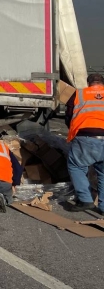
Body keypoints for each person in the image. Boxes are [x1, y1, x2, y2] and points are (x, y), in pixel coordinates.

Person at [64, 73, 104, 214]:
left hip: (86, 137)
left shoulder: (79, 94)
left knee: (76, 166)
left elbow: (68, 116)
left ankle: (86, 200)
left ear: (89, 83)